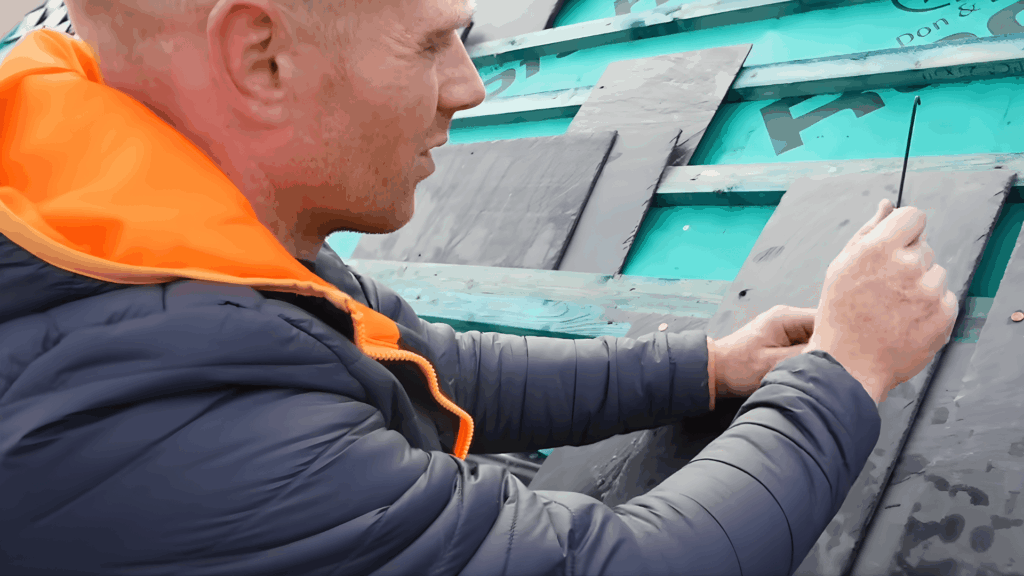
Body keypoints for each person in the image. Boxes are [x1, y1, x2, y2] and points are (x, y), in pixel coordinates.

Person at [0, 0, 957, 574]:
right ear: (262, 59)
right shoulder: (176, 438)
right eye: (430, 43)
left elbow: (425, 364)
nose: (471, 86)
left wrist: (706, 368)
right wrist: (844, 370)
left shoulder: (122, 220)